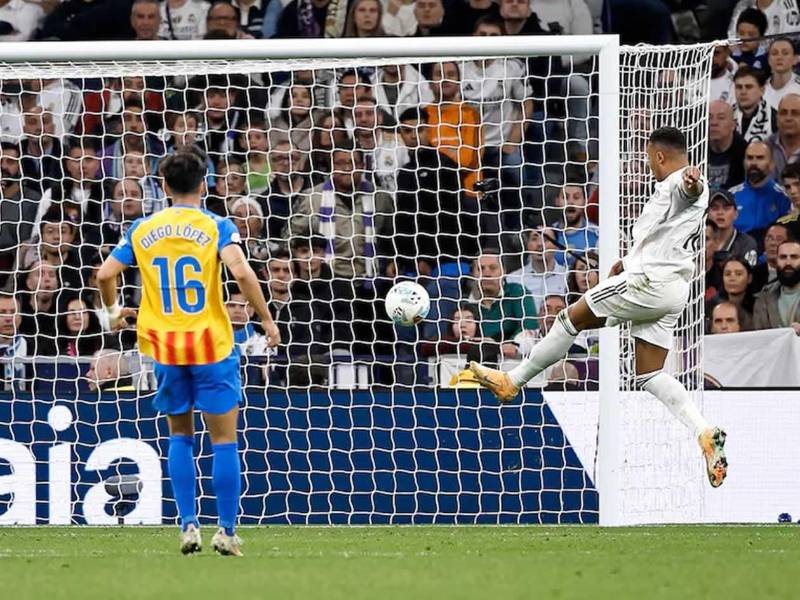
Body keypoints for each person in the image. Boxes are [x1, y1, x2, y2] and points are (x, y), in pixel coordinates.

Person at [469, 127, 728, 489]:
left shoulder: (675, 183)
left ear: (658, 156)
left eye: (648, 157)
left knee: (567, 319)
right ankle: (704, 432)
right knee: (650, 374)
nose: (648, 165)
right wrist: (627, 261)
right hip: (672, 290)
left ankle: (512, 381)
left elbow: (692, 189)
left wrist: (692, 181)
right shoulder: (671, 193)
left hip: (648, 285)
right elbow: (663, 236)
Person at [96, 147, 280, 556]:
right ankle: (227, 531)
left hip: (165, 345)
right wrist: (266, 319)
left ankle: (187, 524)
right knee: (225, 441)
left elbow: (105, 273)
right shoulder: (216, 225)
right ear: (205, 184)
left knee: (180, 435)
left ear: (162, 185)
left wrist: (110, 313)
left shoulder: (143, 228)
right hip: (211, 344)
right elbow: (243, 272)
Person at [730, 140, 791, 240]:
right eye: (750, 158)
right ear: (744, 162)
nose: (754, 163)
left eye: (760, 158)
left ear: (772, 164)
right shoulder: (731, 196)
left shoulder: (784, 197)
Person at [506, 226, 569, 300]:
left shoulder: (567, 277)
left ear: (556, 245)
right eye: (534, 239)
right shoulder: (514, 279)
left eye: (546, 239)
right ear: (527, 245)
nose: (540, 244)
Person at [752, 239, 800, 332]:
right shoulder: (764, 297)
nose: (788, 263)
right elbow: (759, 336)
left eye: (794, 257)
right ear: (776, 261)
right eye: (783, 257)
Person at [708, 190, 758, 267]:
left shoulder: (746, 244)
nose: (720, 212)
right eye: (715, 208)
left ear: (736, 214)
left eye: (726, 208)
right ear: (707, 214)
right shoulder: (699, 242)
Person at [708, 100, 747, 190]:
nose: (714, 123)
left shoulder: (744, 152)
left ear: (733, 125)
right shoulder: (695, 151)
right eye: (709, 118)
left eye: (721, 118)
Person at [733, 66, 776, 143]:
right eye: (739, 87)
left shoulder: (774, 118)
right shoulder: (726, 115)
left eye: (748, 87)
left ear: (762, 90)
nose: (743, 92)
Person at [767, 93, 800, 179]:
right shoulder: (764, 149)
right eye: (783, 113)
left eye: (795, 113)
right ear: (777, 118)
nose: (788, 118)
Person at [764, 38, 800, 111]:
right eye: (774, 53)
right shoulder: (760, 89)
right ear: (768, 60)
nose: (779, 57)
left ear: (795, 59)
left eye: (785, 53)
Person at [0, 292, 27, 387]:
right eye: (2, 312)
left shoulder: (37, 348)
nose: (8, 318)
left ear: (20, 317)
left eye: (13, 312)